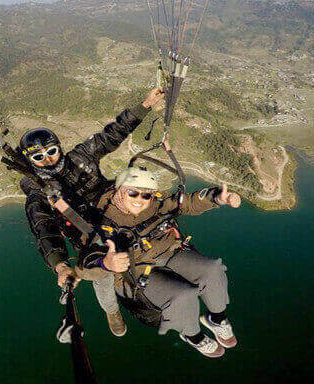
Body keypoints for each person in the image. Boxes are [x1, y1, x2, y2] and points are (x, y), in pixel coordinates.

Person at [20, 87, 165, 337]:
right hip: (86, 234)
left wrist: (145, 106)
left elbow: (112, 134)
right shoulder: (37, 190)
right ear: (30, 161)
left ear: (59, 149)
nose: (48, 160)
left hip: (112, 213)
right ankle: (112, 310)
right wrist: (59, 264)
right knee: (102, 276)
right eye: (39, 157)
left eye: (51, 152)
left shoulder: (80, 156)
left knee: (149, 229)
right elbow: (43, 227)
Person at [76, 165, 241, 358]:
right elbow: (86, 263)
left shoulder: (155, 203)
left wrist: (216, 198)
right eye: (132, 193)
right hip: (135, 271)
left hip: (168, 251)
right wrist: (105, 264)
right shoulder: (101, 222)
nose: (140, 200)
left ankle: (217, 318)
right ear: (120, 190)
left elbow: (184, 202)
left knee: (213, 270)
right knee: (182, 296)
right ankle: (193, 336)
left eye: (146, 195)